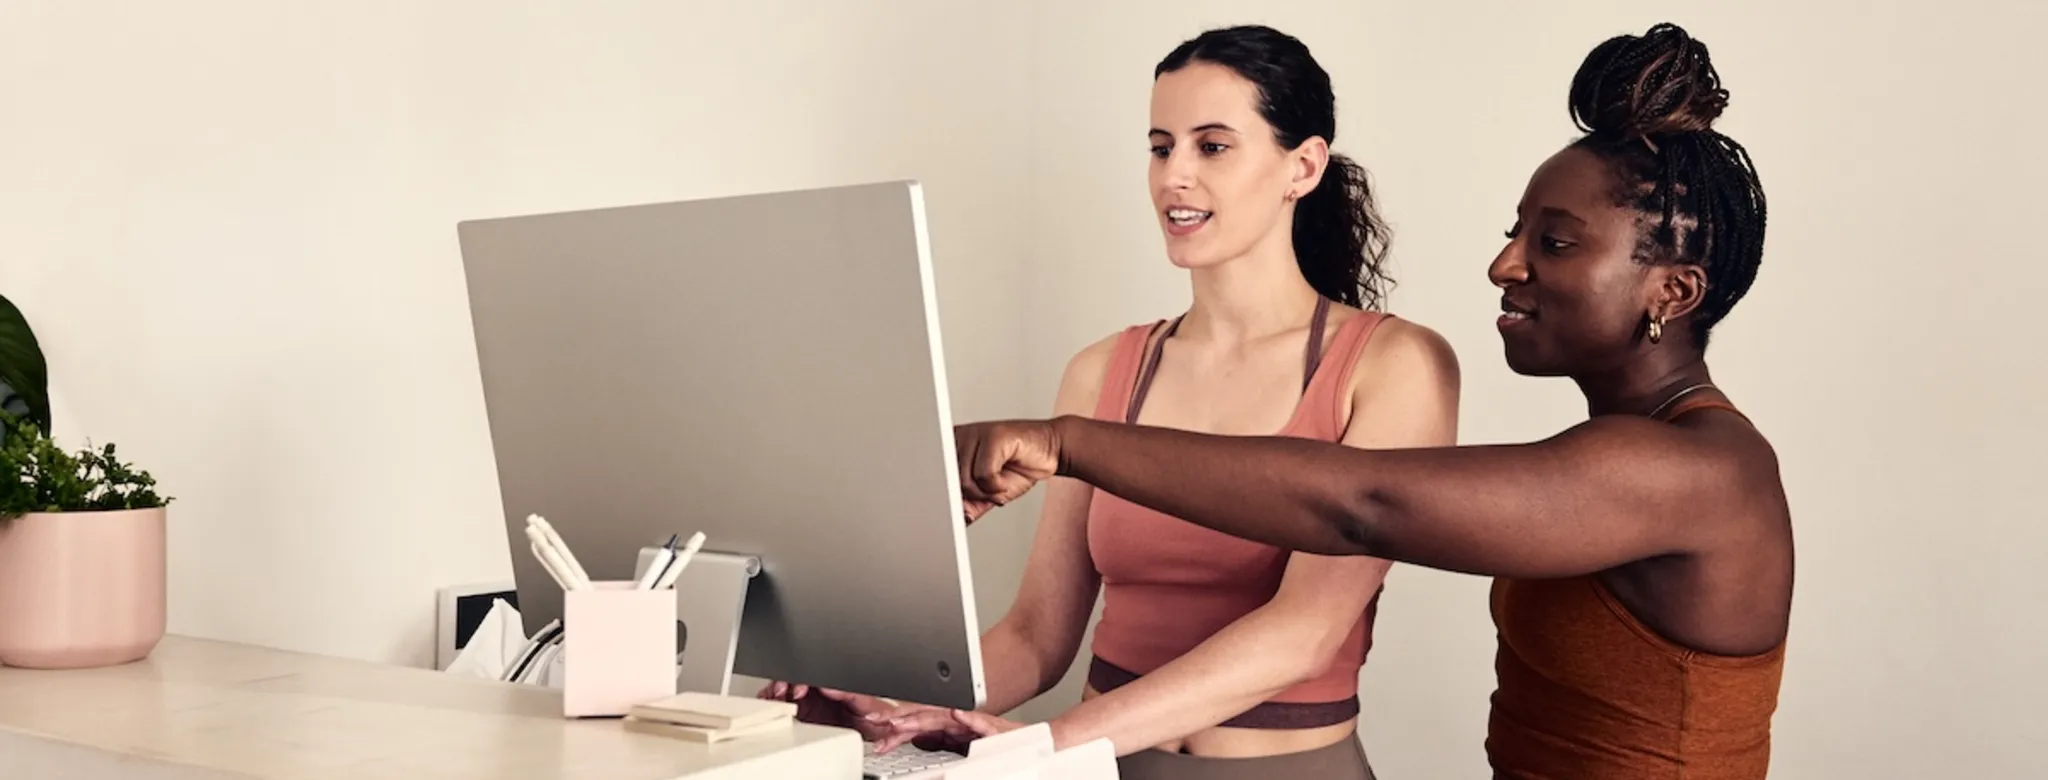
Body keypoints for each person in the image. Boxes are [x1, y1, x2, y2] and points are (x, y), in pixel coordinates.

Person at [949, 22, 1789, 780]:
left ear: (1674, 291)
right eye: (1160, 145)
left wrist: (1066, 444)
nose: (1504, 265)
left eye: (1556, 242)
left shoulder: (1692, 470)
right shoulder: (1624, 452)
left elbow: (1362, 506)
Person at [762, 24, 1459, 780]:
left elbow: (1303, 636)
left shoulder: (1393, 366)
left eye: (1212, 146)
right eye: (1161, 148)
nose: (1174, 176)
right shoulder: (1103, 371)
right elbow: (1036, 635)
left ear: (1304, 166)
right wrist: (889, 709)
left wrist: (1044, 744)